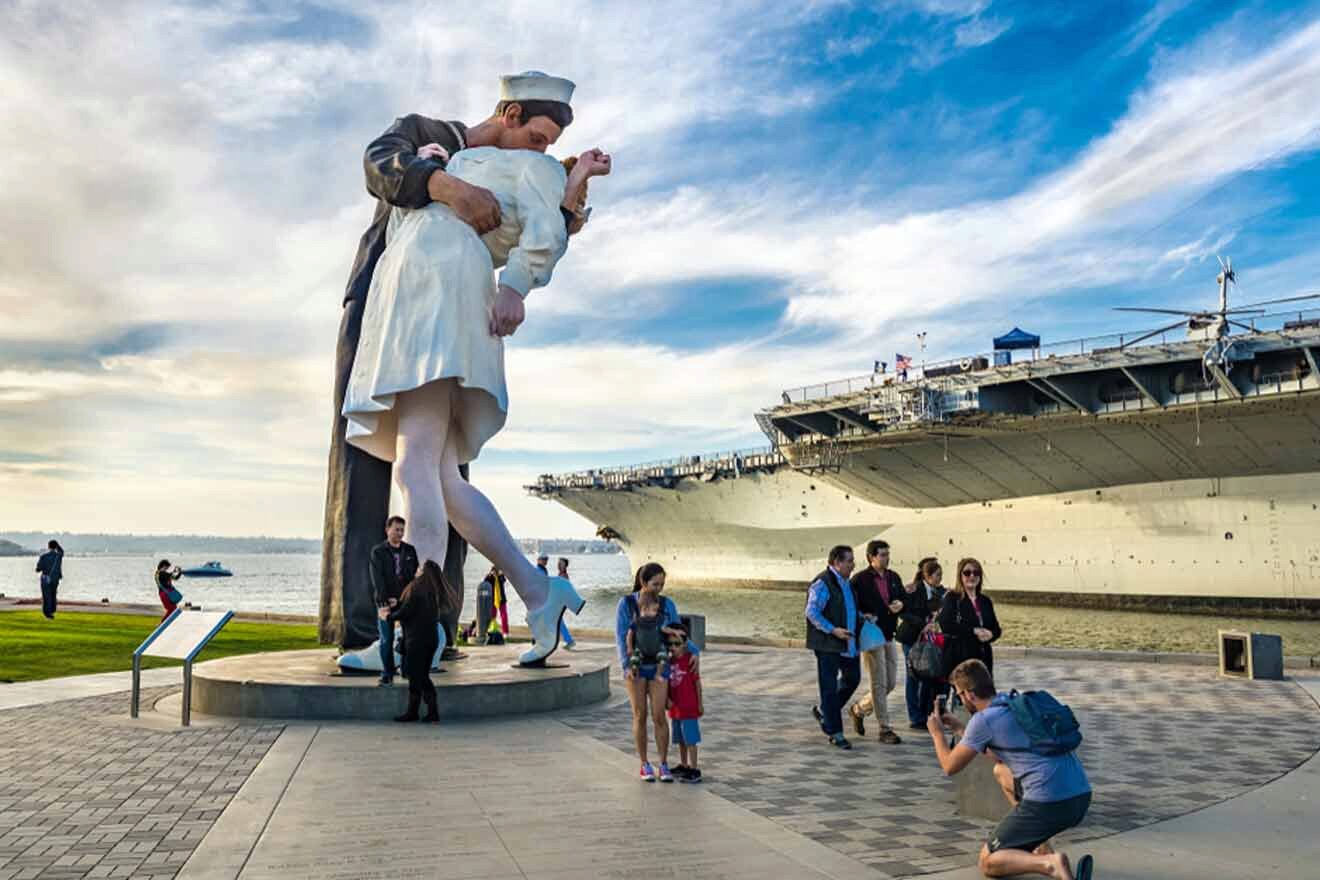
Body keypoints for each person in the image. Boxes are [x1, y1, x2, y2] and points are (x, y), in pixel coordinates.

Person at [320, 70, 602, 657]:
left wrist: (519, 283)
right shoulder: (444, 146)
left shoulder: (532, 169)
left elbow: (547, 226)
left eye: (551, 143)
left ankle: (412, 629)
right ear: (509, 113)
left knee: (413, 466)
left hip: (441, 288)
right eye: (538, 135)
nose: (543, 148)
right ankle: (536, 590)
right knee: (441, 477)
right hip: (411, 294)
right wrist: (437, 170)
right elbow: (388, 174)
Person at [927, 659, 1093, 880]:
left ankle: (1050, 864)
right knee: (1001, 771)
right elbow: (999, 755)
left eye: (958, 694)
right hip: (1080, 797)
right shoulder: (1011, 703)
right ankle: (1042, 848)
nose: (959, 699)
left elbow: (950, 766)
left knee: (988, 862)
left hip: (1049, 803)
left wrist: (937, 733)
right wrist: (958, 727)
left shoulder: (983, 720)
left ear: (969, 694)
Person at [615, 562, 689, 782]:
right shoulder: (627, 604)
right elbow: (621, 637)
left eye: (662, 584)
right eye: (655, 584)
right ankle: (644, 763)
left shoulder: (667, 604)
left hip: (660, 666)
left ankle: (663, 763)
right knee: (640, 715)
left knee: (659, 715)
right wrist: (626, 665)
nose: (659, 588)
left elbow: (679, 634)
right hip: (636, 667)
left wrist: (690, 654)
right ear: (643, 582)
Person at [848, 539, 905, 744]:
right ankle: (885, 728)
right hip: (872, 636)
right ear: (871, 557)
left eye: (888, 554)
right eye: (882, 554)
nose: (886, 558)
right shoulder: (860, 580)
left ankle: (859, 709)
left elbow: (902, 599)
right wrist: (864, 616)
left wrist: (900, 604)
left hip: (889, 634)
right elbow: (852, 607)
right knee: (878, 683)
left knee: (889, 683)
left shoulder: (894, 577)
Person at [805, 545, 861, 750]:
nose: (853, 565)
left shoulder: (847, 583)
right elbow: (811, 612)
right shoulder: (822, 583)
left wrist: (862, 618)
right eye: (849, 561)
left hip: (848, 642)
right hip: (828, 643)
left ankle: (825, 712)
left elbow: (850, 609)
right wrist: (832, 630)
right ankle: (836, 732)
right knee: (828, 687)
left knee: (853, 678)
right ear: (836, 562)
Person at [381, 561, 451, 723]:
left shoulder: (416, 588)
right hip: (429, 640)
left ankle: (420, 712)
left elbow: (407, 612)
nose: (417, 569)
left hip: (416, 641)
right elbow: (413, 608)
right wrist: (398, 604)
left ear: (423, 571)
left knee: (417, 676)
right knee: (421, 675)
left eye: (419, 568)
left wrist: (388, 616)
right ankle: (426, 711)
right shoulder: (432, 592)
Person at [369, 516, 420, 685]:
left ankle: (406, 670)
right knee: (387, 639)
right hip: (385, 604)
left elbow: (414, 578)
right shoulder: (378, 552)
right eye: (396, 529)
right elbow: (378, 579)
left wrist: (405, 599)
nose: (400, 533)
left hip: (405, 602)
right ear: (387, 529)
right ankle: (387, 674)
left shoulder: (410, 551)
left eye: (402, 530)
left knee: (409, 638)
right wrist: (385, 601)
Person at [939, 557, 1002, 679]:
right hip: (960, 657)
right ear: (960, 576)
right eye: (967, 573)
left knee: (984, 695)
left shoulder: (985, 601)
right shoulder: (952, 598)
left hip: (983, 659)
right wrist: (973, 631)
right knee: (964, 696)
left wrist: (991, 634)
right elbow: (946, 625)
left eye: (976, 573)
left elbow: (996, 628)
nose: (972, 576)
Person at [667, 622, 703, 783]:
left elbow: (697, 683)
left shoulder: (690, 661)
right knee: (680, 739)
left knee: (690, 739)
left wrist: (700, 703)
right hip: (675, 708)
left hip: (688, 707)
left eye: (677, 644)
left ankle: (694, 769)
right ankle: (684, 764)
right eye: (670, 644)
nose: (673, 647)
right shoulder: (668, 662)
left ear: (685, 645)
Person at [35, 540, 64, 619]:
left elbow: (38, 569)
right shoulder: (58, 556)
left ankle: (47, 613)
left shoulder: (43, 556)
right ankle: (52, 610)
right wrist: (58, 545)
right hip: (55, 578)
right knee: (53, 594)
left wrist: (40, 568)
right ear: (56, 546)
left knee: (46, 596)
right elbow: (62, 551)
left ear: (48, 546)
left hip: (45, 578)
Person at [556, 557, 577, 649]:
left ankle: (569, 640)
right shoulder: (560, 574)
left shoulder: (563, 576)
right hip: (560, 601)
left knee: (558, 621)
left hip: (560, 602)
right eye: (558, 563)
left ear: (565, 566)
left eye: (561, 563)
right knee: (557, 621)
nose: (559, 564)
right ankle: (567, 640)